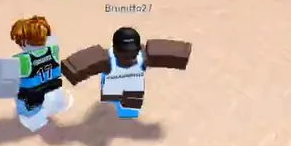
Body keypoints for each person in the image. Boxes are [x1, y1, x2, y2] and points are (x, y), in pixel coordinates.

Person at [61, 27, 192, 120]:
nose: (129, 59)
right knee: (109, 115)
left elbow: (177, 53)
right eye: (125, 55)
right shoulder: (106, 60)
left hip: (133, 92)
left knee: (128, 116)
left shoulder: (145, 57)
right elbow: (73, 68)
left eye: (132, 54)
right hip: (111, 91)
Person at [0, 16, 71, 133]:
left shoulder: (21, 60)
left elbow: (4, 88)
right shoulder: (53, 50)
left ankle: (36, 119)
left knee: (21, 98)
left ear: (24, 41)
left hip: (33, 100)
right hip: (56, 94)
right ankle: (54, 108)